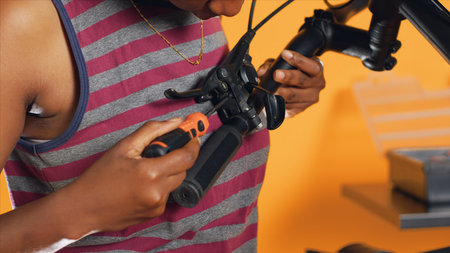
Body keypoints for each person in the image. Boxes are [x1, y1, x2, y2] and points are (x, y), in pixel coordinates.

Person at [0, 0, 325, 252]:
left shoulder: (197, 8)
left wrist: (260, 99)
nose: (229, 9)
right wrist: (80, 211)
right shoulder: (21, 24)